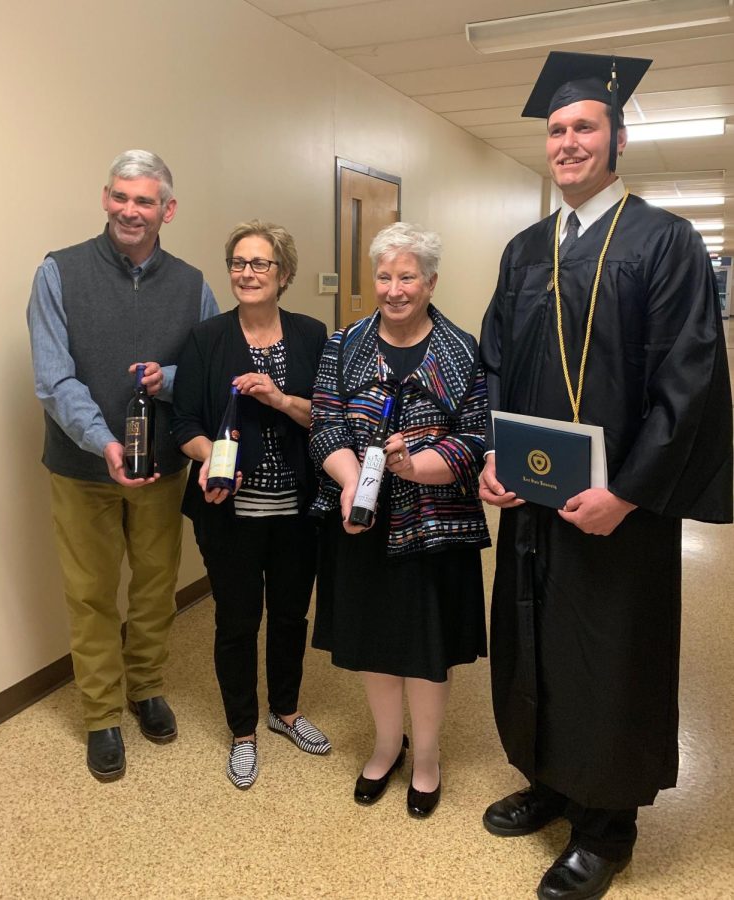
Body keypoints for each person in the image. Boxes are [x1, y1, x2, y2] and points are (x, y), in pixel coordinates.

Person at [479, 52, 733, 899]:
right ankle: (551, 780)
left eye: (584, 126)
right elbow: (493, 366)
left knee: (609, 652)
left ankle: (606, 827)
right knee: (537, 642)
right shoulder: (523, 250)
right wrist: (491, 456)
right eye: (556, 130)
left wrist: (626, 492)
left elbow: (689, 383)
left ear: (618, 137)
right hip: (534, 501)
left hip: (618, 509)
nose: (567, 141)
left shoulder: (665, 244)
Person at [27, 150, 219, 782]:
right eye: (120, 197)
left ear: (167, 209)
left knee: (155, 585)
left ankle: (146, 686)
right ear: (105, 198)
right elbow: (55, 379)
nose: (129, 211)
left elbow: (211, 372)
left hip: (161, 468)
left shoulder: (193, 285)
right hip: (83, 469)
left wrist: (168, 380)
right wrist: (102, 442)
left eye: (144, 201)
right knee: (89, 593)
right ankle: (102, 714)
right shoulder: (59, 272)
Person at [311, 222, 490, 818]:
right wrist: (347, 484)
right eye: (384, 276)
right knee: (375, 644)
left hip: (436, 523)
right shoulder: (345, 344)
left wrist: (413, 466)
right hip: (360, 523)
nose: (393, 288)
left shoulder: (462, 349)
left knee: (425, 647)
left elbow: (473, 439)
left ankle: (429, 757)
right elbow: (327, 425)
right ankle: (388, 746)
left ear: (431, 281)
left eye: (407, 276)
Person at [172, 220, 330, 790]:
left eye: (260, 263)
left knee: (289, 615)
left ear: (283, 274)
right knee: (236, 622)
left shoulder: (313, 336)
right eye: (239, 262)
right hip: (228, 512)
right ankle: (243, 730)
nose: (247, 273)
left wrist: (282, 399)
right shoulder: (206, 339)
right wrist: (210, 455)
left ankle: (284, 712)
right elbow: (184, 422)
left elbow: (327, 419)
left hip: (297, 510)